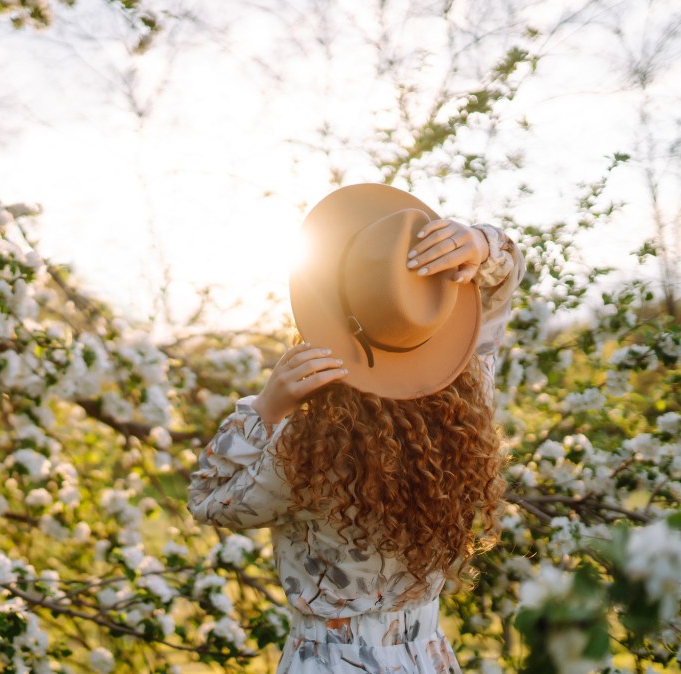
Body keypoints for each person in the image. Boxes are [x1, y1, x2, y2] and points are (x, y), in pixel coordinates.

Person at [187, 183, 526, 673]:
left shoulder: (307, 452)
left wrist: (265, 408)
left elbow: (208, 499)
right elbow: (495, 297)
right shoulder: (465, 409)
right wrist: (483, 243)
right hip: (425, 657)